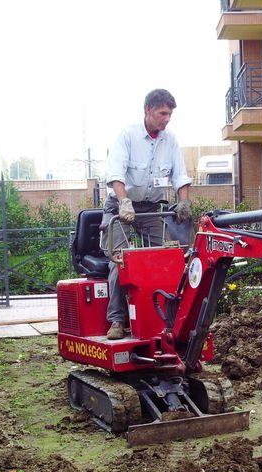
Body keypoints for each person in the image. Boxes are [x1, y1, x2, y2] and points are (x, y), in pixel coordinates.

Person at [101, 89, 193, 340]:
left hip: (150, 209)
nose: (167, 119)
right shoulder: (128, 137)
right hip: (119, 208)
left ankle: (164, 317)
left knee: (164, 258)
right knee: (120, 259)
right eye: (163, 113)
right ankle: (118, 320)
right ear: (148, 110)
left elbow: (180, 175)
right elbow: (116, 175)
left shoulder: (170, 140)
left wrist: (183, 203)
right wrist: (124, 202)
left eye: (170, 114)